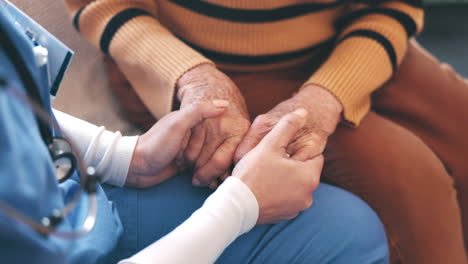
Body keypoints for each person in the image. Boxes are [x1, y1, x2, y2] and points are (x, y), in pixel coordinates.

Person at [65, 0, 468, 262]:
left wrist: (327, 96)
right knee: (409, 177)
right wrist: (192, 76)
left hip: (343, 38)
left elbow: (392, 7)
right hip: (186, 61)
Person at [0, 6, 389, 263]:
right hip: (51, 237)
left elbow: (18, 107)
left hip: (63, 189)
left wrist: (123, 156)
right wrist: (239, 207)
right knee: (383, 196)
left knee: (348, 221)